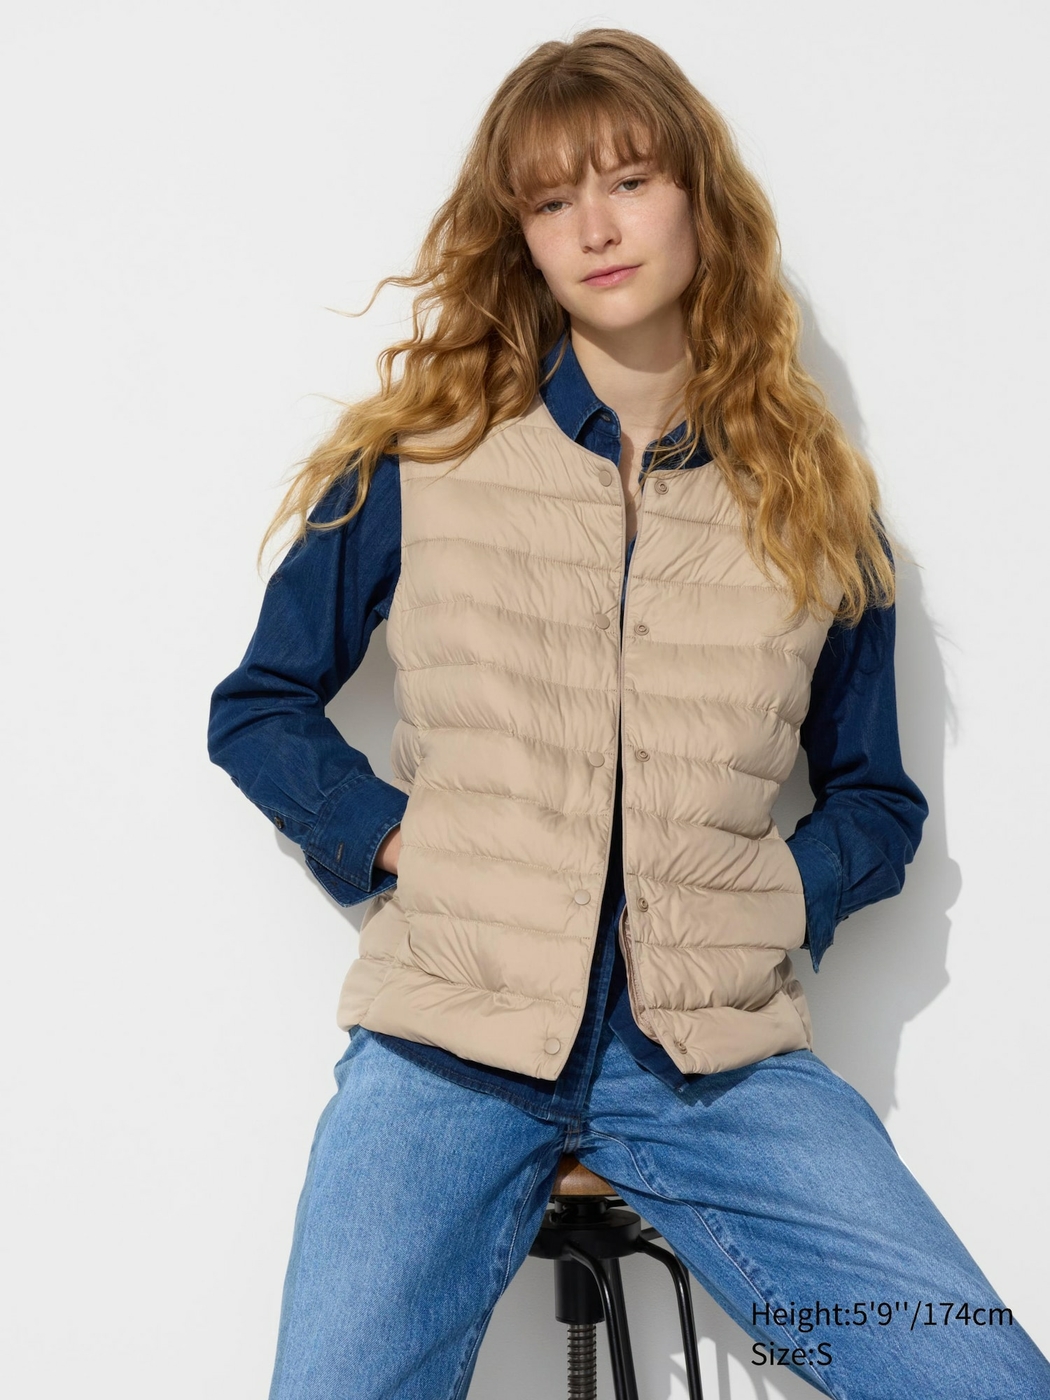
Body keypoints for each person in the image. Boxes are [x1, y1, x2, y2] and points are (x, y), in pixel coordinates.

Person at [207, 28, 1050, 1400]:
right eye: (551, 202)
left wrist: (774, 897)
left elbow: (876, 803)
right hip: (451, 1041)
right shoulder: (425, 459)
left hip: (711, 1061)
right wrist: (399, 841)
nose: (594, 229)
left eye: (629, 181)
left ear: (699, 199)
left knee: (985, 1383)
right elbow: (260, 708)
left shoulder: (810, 505)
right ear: (521, 238)